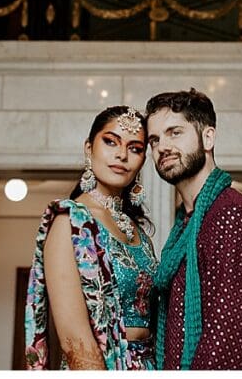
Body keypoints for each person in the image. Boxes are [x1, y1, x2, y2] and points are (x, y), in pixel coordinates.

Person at [146, 88, 242, 370]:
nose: (162, 147)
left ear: (208, 137)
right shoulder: (187, 224)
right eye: (154, 140)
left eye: (175, 133)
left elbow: (226, 343)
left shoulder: (231, 215)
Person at [24, 106, 158, 370]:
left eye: (135, 148)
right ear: (89, 148)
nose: (122, 155)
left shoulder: (138, 231)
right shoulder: (69, 222)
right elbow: (74, 339)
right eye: (111, 142)